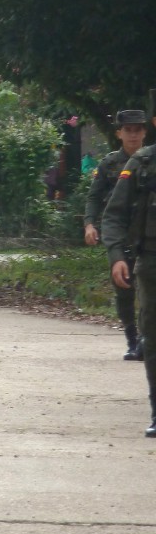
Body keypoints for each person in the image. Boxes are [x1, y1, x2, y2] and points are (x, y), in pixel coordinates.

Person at [102, 108, 156, 437]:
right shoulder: (142, 164)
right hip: (151, 260)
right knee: (152, 335)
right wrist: (117, 255)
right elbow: (115, 214)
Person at [85, 109, 148, 360]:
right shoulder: (110, 163)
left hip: (146, 234)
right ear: (119, 133)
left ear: (145, 132)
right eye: (128, 130)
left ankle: (145, 339)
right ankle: (132, 338)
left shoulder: (151, 161)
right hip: (119, 235)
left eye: (138, 130)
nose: (133, 135)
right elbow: (94, 197)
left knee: (148, 289)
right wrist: (90, 224)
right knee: (123, 289)